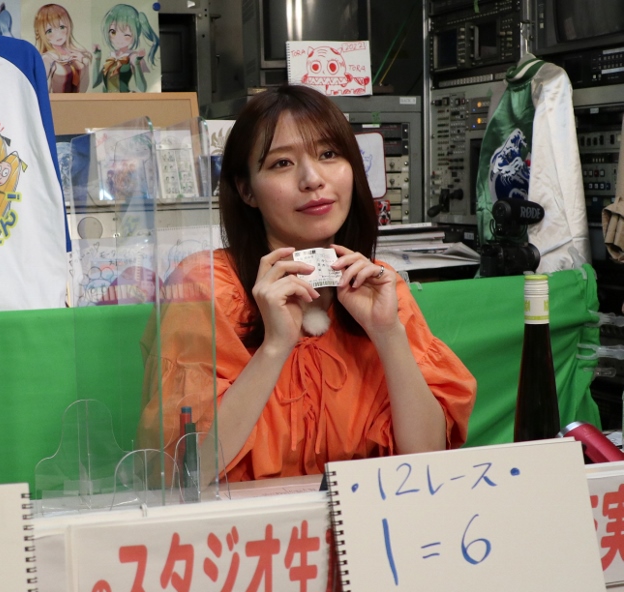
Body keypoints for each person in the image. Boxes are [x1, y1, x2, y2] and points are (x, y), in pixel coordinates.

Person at [140, 85, 476, 482]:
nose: (313, 179)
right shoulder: (207, 286)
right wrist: (275, 346)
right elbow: (185, 475)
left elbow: (428, 462)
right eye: (282, 163)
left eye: (328, 154)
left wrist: (387, 334)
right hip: (249, 522)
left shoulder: (378, 286)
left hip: (364, 517)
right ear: (246, 190)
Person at [93, 4, 159, 93]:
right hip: (106, 99)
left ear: (135, 34)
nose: (118, 39)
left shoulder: (133, 56)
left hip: (123, 99)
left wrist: (137, 63)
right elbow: (95, 83)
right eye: (113, 32)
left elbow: (142, 88)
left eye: (126, 35)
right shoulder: (111, 56)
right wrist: (97, 57)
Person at [33, 4, 91, 93]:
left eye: (62, 27)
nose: (58, 34)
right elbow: (42, 91)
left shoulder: (77, 54)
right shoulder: (47, 59)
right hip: (56, 101)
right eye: (49, 31)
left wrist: (85, 63)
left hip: (79, 101)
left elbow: (84, 89)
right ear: (42, 34)